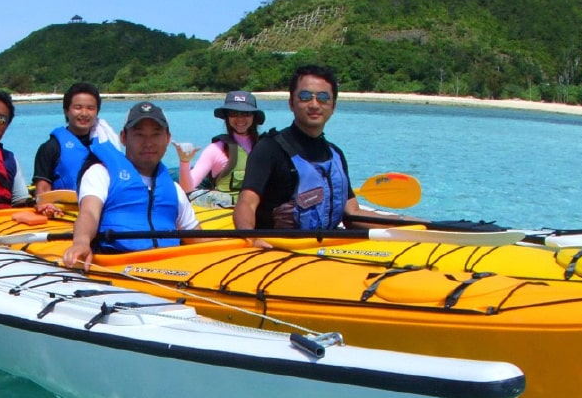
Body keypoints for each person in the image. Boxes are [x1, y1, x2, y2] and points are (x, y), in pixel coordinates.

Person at [62, 102, 200, 269]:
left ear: (168, 138)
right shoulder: (101, 174)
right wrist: (81, 242)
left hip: (169, 269)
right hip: (118, 266)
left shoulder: (174, 190)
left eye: (156, 134)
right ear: (124, 138)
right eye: (139, 135)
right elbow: (89, 213)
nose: (148, 143)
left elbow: (198, 237)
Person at [233, 64, 368, 232]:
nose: (314, 104)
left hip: (325, 248)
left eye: (323, 97)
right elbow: (247, 202)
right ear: (291, 103)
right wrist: (249, 236)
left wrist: (405, 223)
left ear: (333, 106)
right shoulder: (268, 149)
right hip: (279, 248)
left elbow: (353, 213)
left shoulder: (335, 154)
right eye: (305, 96)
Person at [30, 82, 119, 204]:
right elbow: (43, 191)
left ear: (97, 111)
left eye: (90, 108)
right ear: (66, 111)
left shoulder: (107, 144)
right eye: (78, 107)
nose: (84, 113)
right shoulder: (50, 148)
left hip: (102, 210)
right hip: (66, 214)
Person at [180, 91, 266, 201]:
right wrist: (184, 162)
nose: (240, 119)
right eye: (233, 113)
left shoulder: (266, 146)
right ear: (227, 116)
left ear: (254, 116)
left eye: (246, 113)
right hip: (227, 210)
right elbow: (187, 189)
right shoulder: (215, 149)